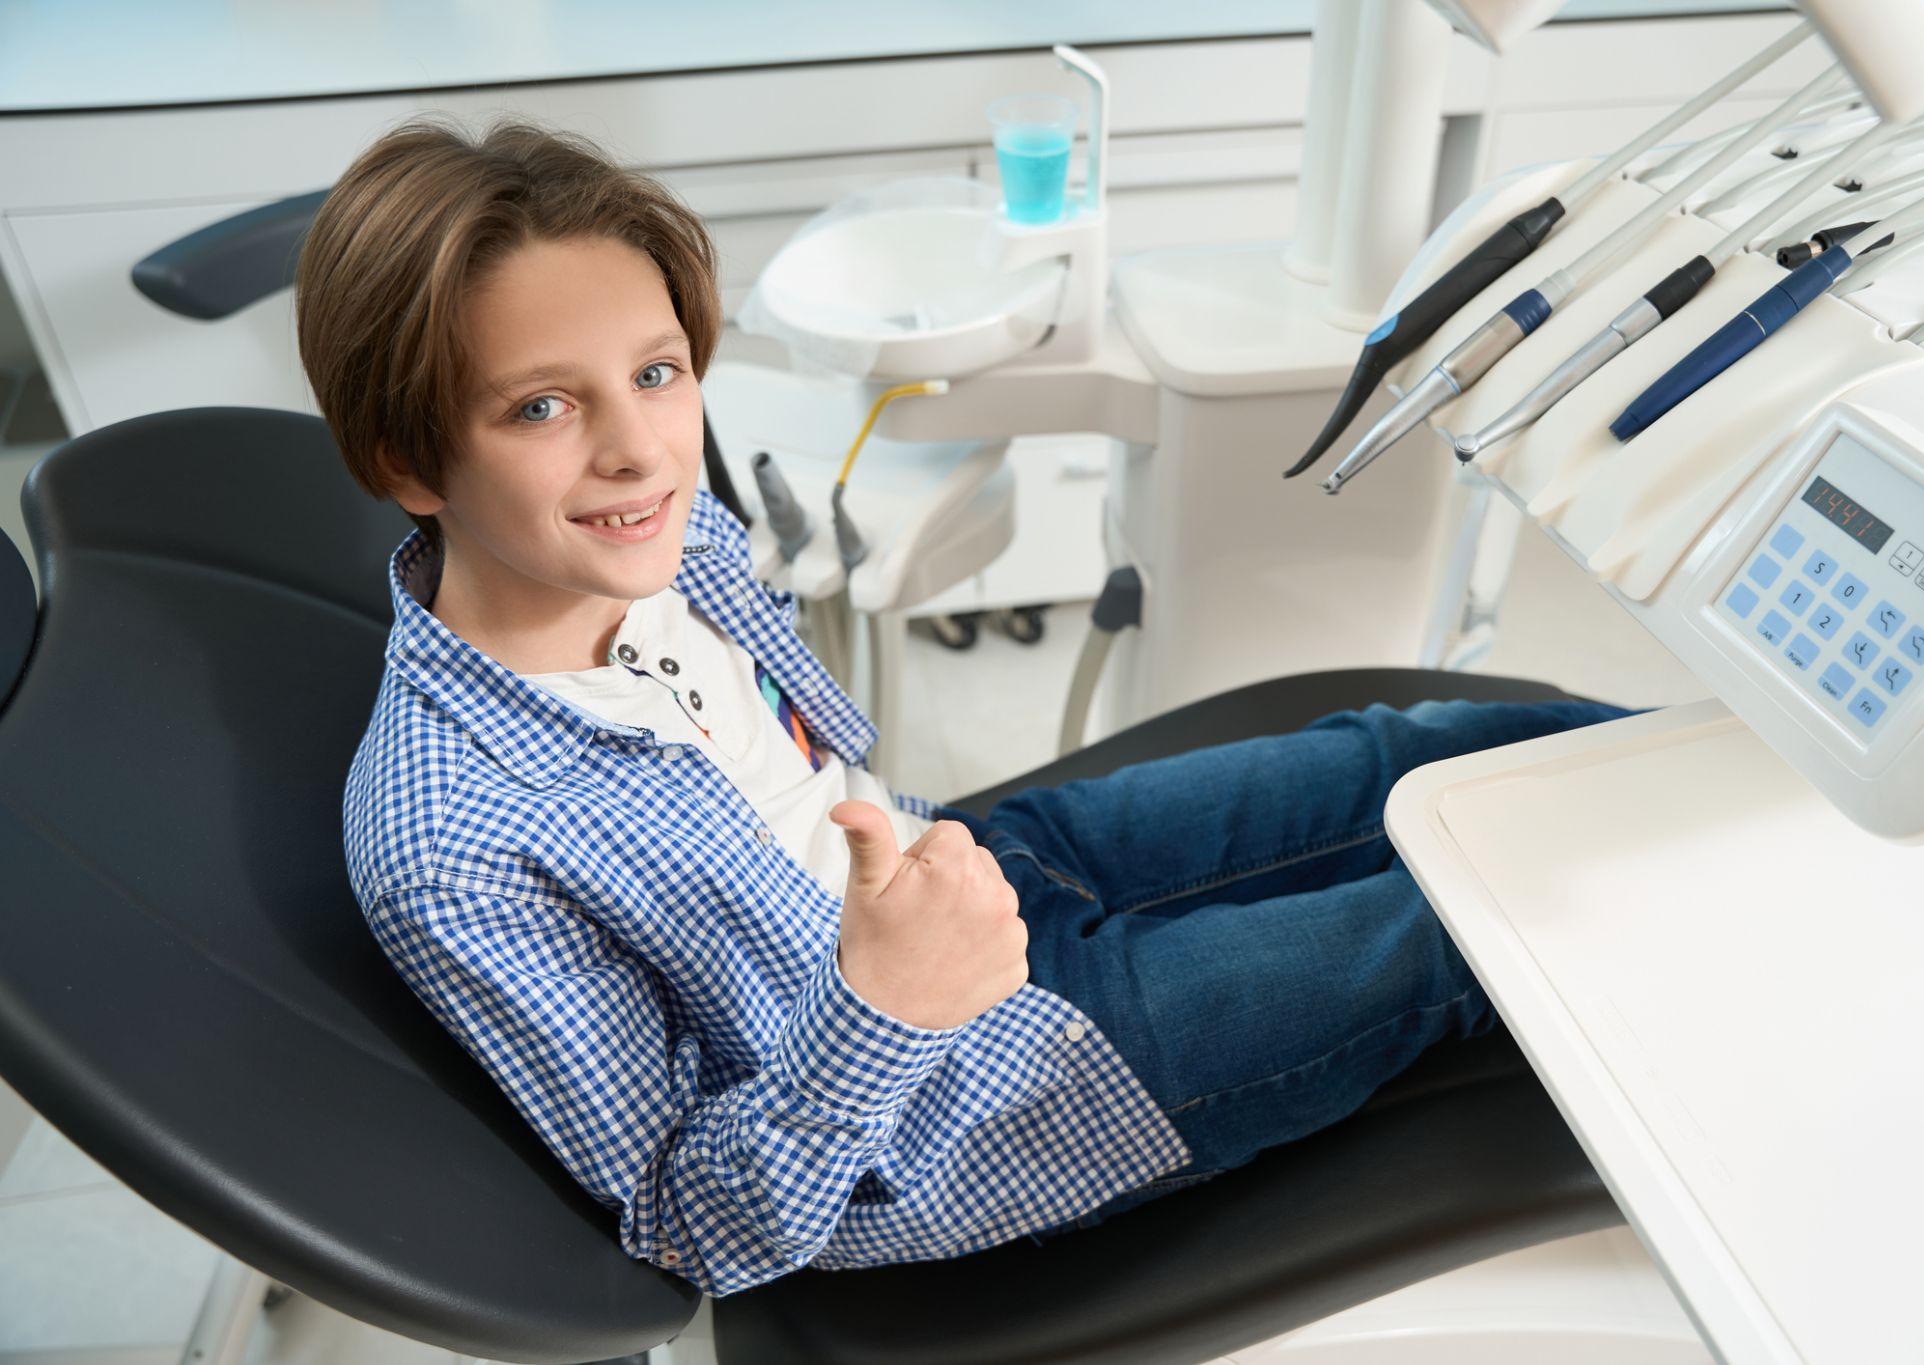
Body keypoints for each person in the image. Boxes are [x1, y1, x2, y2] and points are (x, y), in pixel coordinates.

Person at [308, 114, 1629, 1298]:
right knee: (1486, 925)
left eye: (657, 373)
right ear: (410, 460)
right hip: (980, 1100)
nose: (639, 449)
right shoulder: (453, 843)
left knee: (1422, 755)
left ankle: (1752, 783)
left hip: (977, 869)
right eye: (543, 406)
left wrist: (907, 907)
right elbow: (682, 1223)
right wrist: (888, 1000)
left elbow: (804, 760)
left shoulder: (663, 536)